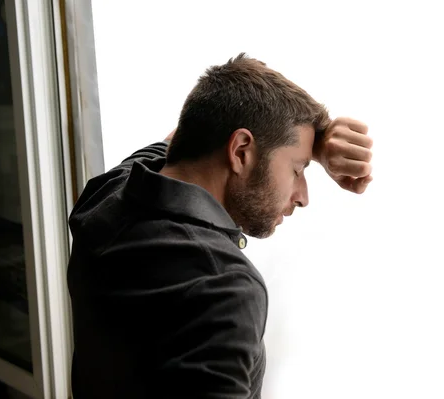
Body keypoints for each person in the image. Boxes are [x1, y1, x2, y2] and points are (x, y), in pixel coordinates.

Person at [67, 53, 373, 399]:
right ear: (241, 151)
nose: (303, 196)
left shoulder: (109, 194)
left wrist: (311, 140)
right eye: (297, 170)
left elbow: (197, 127)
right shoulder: (222, 287)